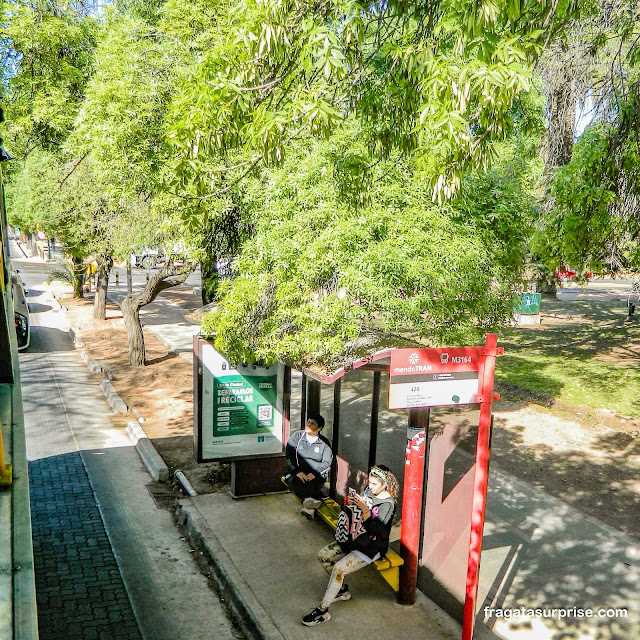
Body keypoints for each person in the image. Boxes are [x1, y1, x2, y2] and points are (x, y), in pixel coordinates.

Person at [302, 464, 399, 626]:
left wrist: (365, 511)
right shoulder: (369, 491)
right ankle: (341, 591)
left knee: (339, 568)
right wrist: (351, 503)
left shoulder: (388, 505)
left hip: (371, 547)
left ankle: (323, 611)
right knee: (323, 556)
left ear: (385, 485)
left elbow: (378, 532)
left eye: (374, 484)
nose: (370, 487)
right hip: (355, 538)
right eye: (369, 483)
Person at [284, 416, 332, 519]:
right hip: (297, 473)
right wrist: (297, 471)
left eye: (313, 423)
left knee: (313, 485)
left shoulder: (324, 442)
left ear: (320, 428)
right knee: (294, 482)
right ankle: (311, 503)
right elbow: (289, 456)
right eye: (308, 422)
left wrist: (314, 474)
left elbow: (327, 462)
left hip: (315, 475)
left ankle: (308, 507)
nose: (308, 425)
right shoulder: (296, 437)